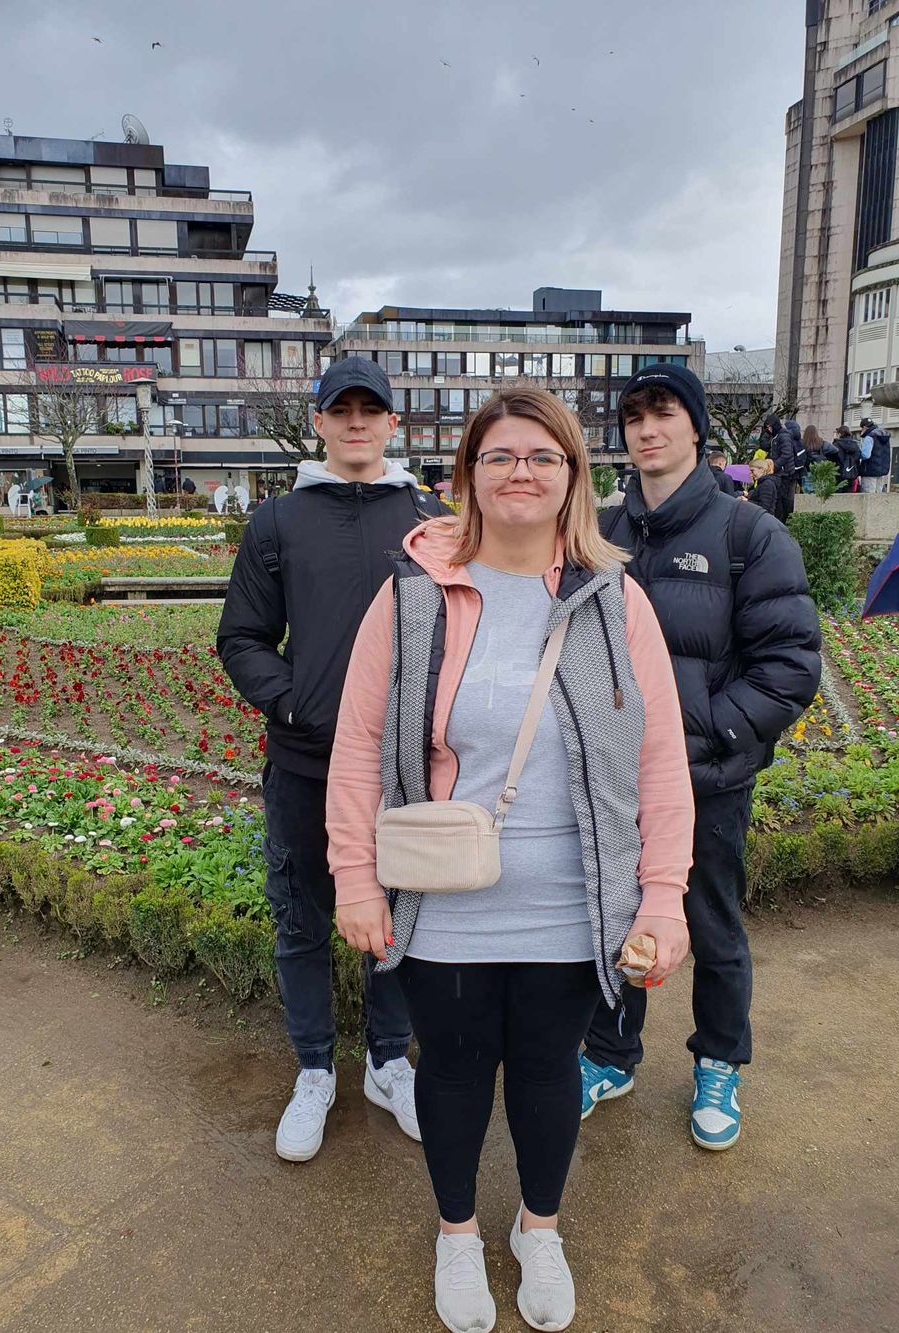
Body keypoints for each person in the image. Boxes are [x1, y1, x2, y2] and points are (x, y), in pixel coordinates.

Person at [327, 386, 695, 1333]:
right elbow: (358, 747)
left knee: (545, 1070)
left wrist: (663, 897)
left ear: (572, 475)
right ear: (468, 475)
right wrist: (356, 879)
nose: (520, 472)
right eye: (499, 456)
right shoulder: (410, 597)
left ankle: (540, 1226)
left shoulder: (616, 601)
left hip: (574, 901)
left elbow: (658, 759)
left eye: (542, 456)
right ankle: (457, 1234)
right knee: (451, 1071)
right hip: (444, 895)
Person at [582, 363, 820, 1153]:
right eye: (634, 417)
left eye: (664, 414)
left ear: (695, 428)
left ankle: (718, 1062)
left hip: (706, 780)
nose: (648, 429)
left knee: (712, 926)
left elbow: (791, 664)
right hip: (613, 782)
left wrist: (710, 731)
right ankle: (609, 1053)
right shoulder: (599, 532)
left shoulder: (748, 535)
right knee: (615, 920)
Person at [216, 358, 446, 1163]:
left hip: (404, 769)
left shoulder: (431, 521)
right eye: (340, 409)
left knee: (399, 919)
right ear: (318, 422)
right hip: (306, 763)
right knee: (301, 920)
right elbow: (242, 637)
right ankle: (315, 1068)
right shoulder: (279, 521)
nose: (355, 422)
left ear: (392, 423)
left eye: (369, 409)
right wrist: (295, 705)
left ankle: (388, 1060)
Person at [759, 412, 796, 521]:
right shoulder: (775, 437)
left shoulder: (783, 436)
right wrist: (764, 433)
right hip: (779, 472)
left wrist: (774, 466)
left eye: (769, 427)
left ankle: (784, 520)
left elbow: (786, 454)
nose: (768, 430)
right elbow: (764, 446)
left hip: (784, 473)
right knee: (779, 500)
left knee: (784, 501)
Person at [858, 417, 892, 493]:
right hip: (882, 471)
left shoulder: (869, 437)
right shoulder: (884, 436)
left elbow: (866, 455)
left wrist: (858, 454)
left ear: (864, 427)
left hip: (869, 471)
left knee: (868, 496)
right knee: (878, 495)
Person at [827, 426, 862, 492]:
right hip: (852, 474)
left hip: (839, 474)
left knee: (838, 493)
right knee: (850, 493)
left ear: (840, 434)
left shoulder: (836, 444)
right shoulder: (855, 444)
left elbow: (831, 458)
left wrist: (834, 441)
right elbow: (858, 457)